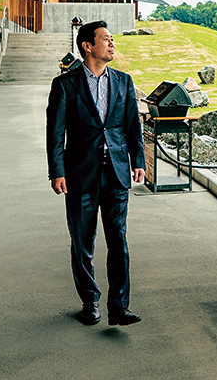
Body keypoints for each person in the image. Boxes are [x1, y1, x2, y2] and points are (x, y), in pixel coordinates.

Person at [46, 20, 146, 326]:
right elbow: (55, 131)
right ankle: (90, 301)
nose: (112, 44)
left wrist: (138, 160)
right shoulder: (65, 85)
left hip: (116, 173)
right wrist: (56, 171)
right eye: (106, 39)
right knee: (82, 241)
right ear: (87, 46)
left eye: (112, 39)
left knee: (118, 240)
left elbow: (132, 126)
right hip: (79, 174)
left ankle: (119, 306)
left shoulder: (124, 82)